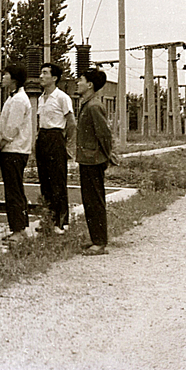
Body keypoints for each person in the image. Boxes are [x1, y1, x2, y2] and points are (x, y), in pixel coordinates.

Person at [76, 68, 114, 256]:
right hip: (87, 159)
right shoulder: (87, 104)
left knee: (95, 201)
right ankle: (95, 239)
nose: (78, 83)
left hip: (93, 160)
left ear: (89, 84)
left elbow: (104, 134)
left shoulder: (93, 106)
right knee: (89, 200)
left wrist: (107, 155)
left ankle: (99, 242)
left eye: (81, 80)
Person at [36, 63, 76, 233]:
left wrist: (66, 144)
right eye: (41, 72)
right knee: (44, 181)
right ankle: (48, 220)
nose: (41, 76)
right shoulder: (41, 98)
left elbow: (71, 123)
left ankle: (61, 222)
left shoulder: (62, 97)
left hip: (56, 137)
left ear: (54, 78)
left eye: (45, 73)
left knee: (57, 181)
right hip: (43, 137)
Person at [0, 64, 32, 243]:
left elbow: (11, 128)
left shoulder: (19, 100)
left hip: (14, 150)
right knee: (14, 189)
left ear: (14, 79)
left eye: (6, 75)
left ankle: (18, 230)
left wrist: (0, 145)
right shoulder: (13, 98)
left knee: (13, 191)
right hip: (12, 150)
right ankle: (19, 227)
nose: (3, 77)